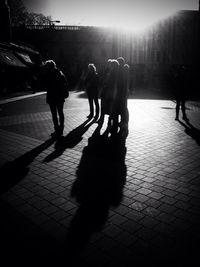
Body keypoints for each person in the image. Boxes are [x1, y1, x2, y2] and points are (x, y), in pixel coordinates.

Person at [43, 60, 69, 138]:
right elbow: (66, 83)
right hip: (60, 96)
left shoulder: (48, 74)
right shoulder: (60, 73)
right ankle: (61, 128)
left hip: (52, 96)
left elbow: (46, 85)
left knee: (54, 114)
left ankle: (56, 129)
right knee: (60, 112)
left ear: (49, 66)